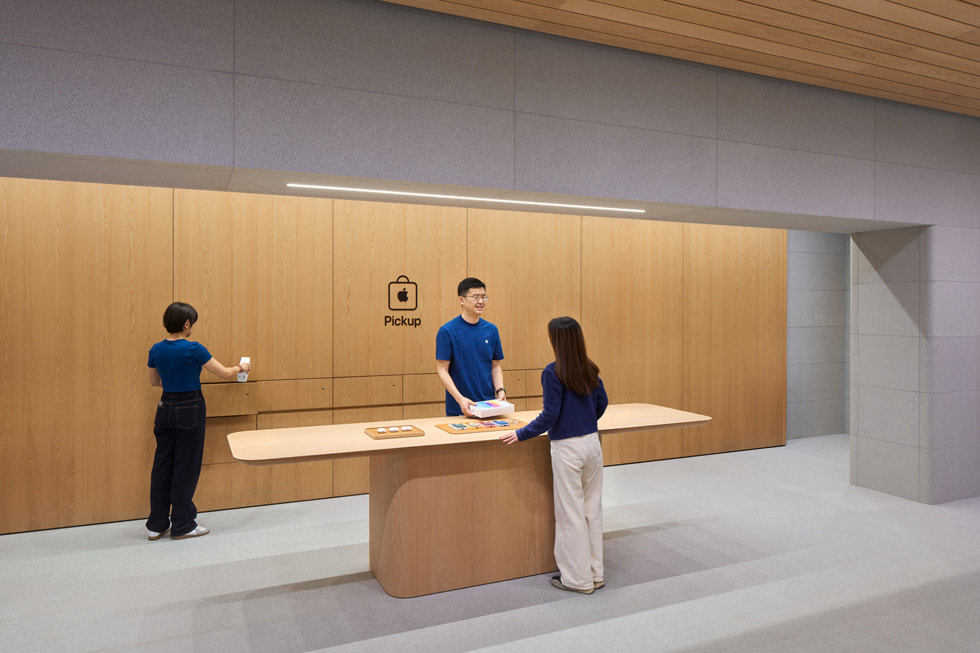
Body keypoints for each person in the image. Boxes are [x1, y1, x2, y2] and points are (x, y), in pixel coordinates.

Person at [500, 316, 608, 594]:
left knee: (570, 513)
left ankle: (577, 580)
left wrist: (521, 433)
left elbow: (550, 415)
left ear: (554, 341)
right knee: (591, 510)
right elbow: (601, 403)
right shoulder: (590, 368)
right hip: (592, 444)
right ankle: (596, 574)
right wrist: (583, 421)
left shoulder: (552, 372)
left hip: (568, 449)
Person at [145, 302, 251, 541]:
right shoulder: (193, 348)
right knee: (186, 466)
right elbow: (224, 372)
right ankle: (183, 524)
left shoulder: (156, 349)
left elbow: (155, 382)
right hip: (189, 408)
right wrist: (240, 367)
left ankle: (157, 524)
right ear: (186, 324)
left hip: (164, 408)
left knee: (162, 465)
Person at [436, 277, 505, 417]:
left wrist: (500, 390)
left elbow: (495, 366)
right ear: (461, 300)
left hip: (488, 405)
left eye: (484, 297)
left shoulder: (492, 330)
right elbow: (442, 370)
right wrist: (459, 398)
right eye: (475, 297)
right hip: (460, 408)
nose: (481, 302)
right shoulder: (447, 331)